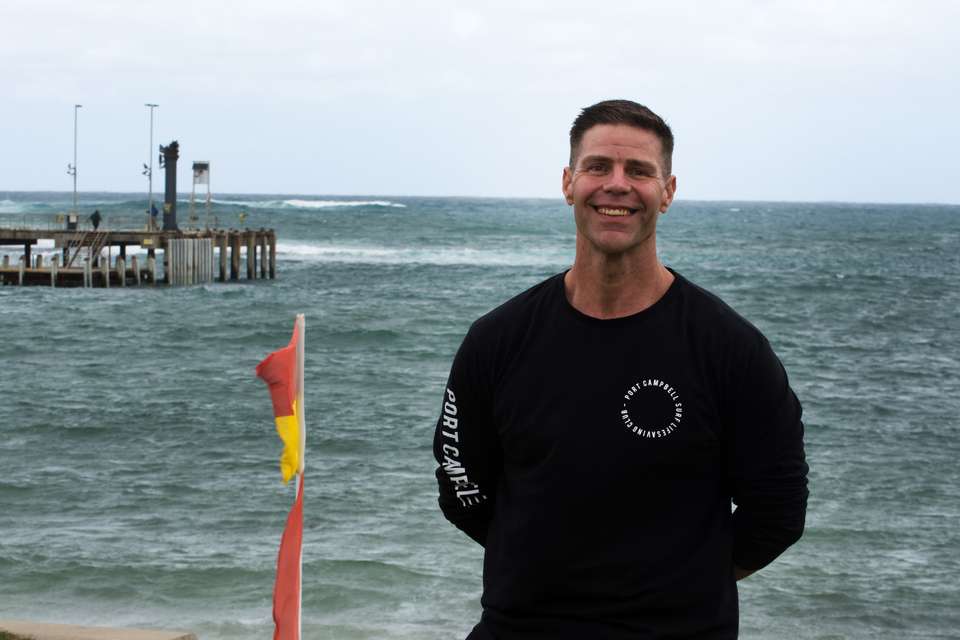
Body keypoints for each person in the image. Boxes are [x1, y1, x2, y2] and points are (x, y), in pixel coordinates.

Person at [433, 99, 808, 639]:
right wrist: (539, 563)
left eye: (639, 171)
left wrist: (681, 583)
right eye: (597, 167)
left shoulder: (730, 348)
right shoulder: (498, 339)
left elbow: (778, 510)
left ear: (668, 191)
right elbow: (460, 484)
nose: (617, 185)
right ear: (568, 182)